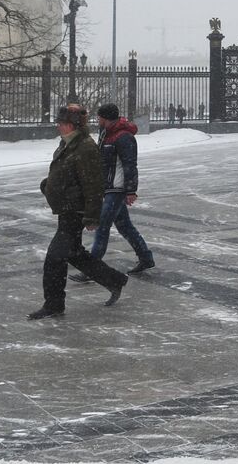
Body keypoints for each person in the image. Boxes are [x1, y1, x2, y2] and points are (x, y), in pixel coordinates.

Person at [28, 104, 128, 320]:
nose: (58, 126)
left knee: (55, 258)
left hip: (76, 210)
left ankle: (54, 304)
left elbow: (93, 185)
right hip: (66, 208)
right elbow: (64, 172)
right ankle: (114, 280)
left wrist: (92, 216)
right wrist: (49, 185)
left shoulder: (85, 147)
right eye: (59, 122)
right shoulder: (67, 144)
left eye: (62, 123)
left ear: (73, 125)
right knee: (73, 252)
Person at [71, 104, 155, 283]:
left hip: (117, 189)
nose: (98, 120)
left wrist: (131, 190)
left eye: (100, 117)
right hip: (107, 187)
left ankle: (91, 270)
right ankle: (146, 258)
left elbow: (130, 165)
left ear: (106, 118)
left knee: (102, 227)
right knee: (125, 226)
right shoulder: (105, 134)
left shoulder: (124, 137)